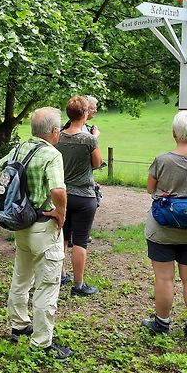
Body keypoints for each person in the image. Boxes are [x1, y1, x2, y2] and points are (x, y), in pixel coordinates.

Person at [0, 107, 71, 359]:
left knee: (22, 276)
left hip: (21, 224)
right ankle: (42, 342)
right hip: (43, 226)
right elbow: (58, 190)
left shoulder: (18, 149)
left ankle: (18, 323)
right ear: (55, 131)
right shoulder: (51, 154)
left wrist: (17, 196)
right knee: (47, 284)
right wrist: (61, 213)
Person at [142, 111, 187, 338]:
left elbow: (149, 188)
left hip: (162, 227)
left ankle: (162, 324)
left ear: (174, 133)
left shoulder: (162, 160)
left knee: (164, 278)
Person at [55, 96, 103, 296]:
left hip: (62, 194)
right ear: (85, 114)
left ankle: (60, 276)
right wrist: (96, 138)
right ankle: (78, 285)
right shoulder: (89, 139)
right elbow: (97, 164)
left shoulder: (58, 138)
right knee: (80, 240)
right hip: (84, 195)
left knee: (61, 239)